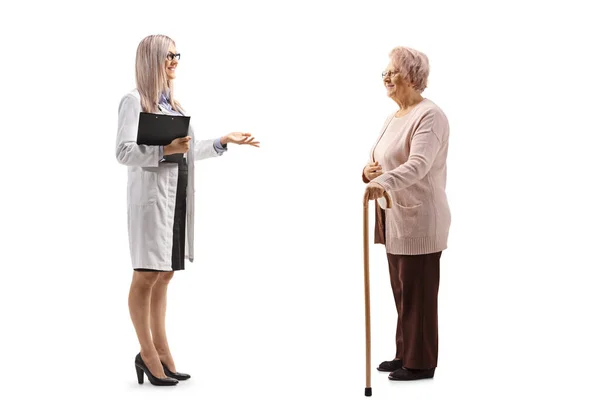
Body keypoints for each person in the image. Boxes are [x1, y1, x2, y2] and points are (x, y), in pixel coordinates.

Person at [116, 34, 260, 386]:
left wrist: (222, 142)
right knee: (147, 275)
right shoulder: (134, 101)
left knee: (165, 275)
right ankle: (147, 353)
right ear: (151, 59)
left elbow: (187, 151)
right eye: (168, 55)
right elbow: (122, 152)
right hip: (151, 203)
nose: (175, 60)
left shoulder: (174, 105)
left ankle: (162, 352)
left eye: (177, 54)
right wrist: (163, 151)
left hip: (176, 198)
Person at [362, 46, 451, 381]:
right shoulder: (395, 116)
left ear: (412, 76)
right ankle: (405, 353)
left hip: (420, 218)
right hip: (394, 215)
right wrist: (369, 173)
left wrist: (382, 180)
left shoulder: (430, 115)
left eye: (392, 71)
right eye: (384, 72)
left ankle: (421, 361)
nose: (386, 77)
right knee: (403, 290)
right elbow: (383, 159)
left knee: (419, 293)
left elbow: (418, 165)